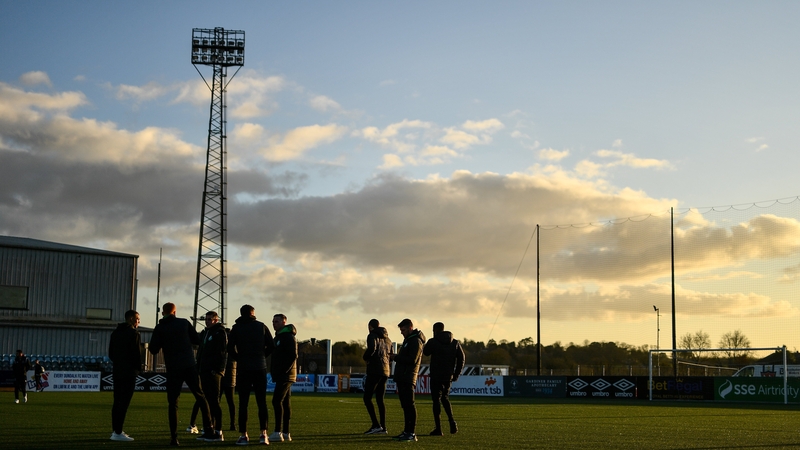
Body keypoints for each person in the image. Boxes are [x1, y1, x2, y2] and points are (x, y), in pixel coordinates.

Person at [149, 303, 216, 446]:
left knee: (173, 403)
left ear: (163, 313)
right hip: (189, 365)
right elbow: (197, 341)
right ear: (174, 312)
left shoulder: (160, 327)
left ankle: (174, 437)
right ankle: (209, 429)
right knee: (200, 396)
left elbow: (153, 349)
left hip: (173, 368)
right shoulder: (184, 323)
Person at [228, 304, 274, 445]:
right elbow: (271, 345)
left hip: (244, 368)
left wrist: (239, 358)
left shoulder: (236, 328)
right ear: (252, 313)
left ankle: (244, 435)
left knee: (243, 403)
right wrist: (262, 356)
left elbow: (229, 348)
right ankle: (263, 434)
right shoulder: (261, 326)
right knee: (262, 402)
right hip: (260, 367)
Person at [186, 311, 227, 441]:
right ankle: (208, 430)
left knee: (214, 401)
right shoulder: (205, 333)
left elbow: (222, 353)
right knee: (206, 402)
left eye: (210, 319)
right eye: (206, 319)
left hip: (213, 372)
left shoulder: (219, 332)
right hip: (203, 371)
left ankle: (218, 431)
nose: (207, 321)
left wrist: (218, 369)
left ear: (216, 320)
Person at [422, 322, 465, 435]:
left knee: (436, 400)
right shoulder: (454, 342)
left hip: (436, 375)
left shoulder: (433, 341)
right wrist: (456, 374)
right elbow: (461, 358)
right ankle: (451, 421)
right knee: (445, 398)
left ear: (434, 330)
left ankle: (438, 428)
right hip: (448, 375)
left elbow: (426, 352)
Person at [108, 310, 142, 442]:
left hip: (117, 371)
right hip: (129, 373)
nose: (139, 321)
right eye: (137, 319)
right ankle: (118, 432)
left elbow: (111, 354)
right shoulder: (134, 333)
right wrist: (138, 369)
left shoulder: (115, 333)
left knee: (117, 401)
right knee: (124, 403)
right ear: (131, 319)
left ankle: (116, 430)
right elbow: (136, 354)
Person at [391, 318, 425, 442]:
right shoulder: (409, 340)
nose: (402, 332)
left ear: (410, 328)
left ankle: (411, 433)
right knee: (405, 406)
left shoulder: (415, 341)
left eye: (403, 330)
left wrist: (396, 357)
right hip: (403, 376)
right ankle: (407, 431)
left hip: (408, 376)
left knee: (409, 405)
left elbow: (412, 360)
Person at [269, 313, 297, 443]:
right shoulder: (278, 337)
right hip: (283, 374)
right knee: (285, 403)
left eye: (277, 321)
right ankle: (286, 432)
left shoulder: (288, 337)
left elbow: (293, 355)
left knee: (276, 401)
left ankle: (278, 432)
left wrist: (284, 371)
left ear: (284, 322)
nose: (274, 324)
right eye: (273, 321)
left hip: (286, 375)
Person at [362, 318, 392, 435]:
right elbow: (390, 355)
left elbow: (372, 348)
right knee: (380, 399)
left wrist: (365, 358)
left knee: (367, 398)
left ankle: (376, 425)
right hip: (385, 371)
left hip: (374, 370)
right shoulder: (388, 339)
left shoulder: (372, 335)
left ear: (370, 327)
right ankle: (383, 427)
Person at [221, 327, 238, 431]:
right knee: (231, 402)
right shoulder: (234, 345)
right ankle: (232, 424)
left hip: (222, 374)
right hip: (231, 375)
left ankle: (214, 423)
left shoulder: (223, 344)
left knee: (217, 401)